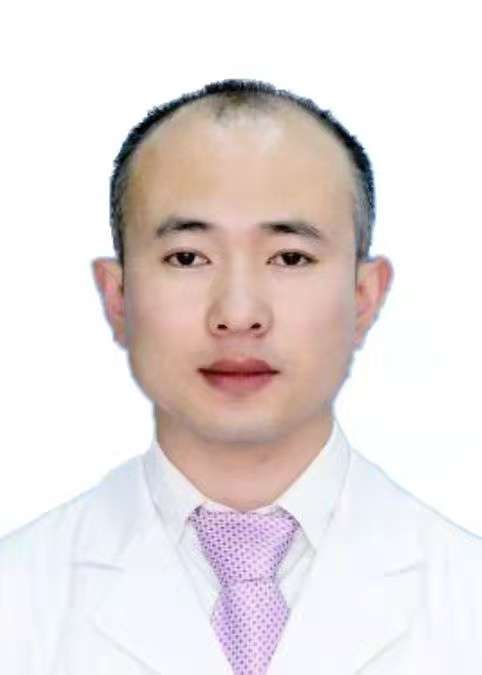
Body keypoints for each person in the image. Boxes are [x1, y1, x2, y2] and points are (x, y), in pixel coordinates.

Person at [1, 78, 481, 675]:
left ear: (364, 297)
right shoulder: (16, 601)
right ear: (117, 296)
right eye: (187, 257)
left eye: (290, 258)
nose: (237, 313)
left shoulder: (467, 599)